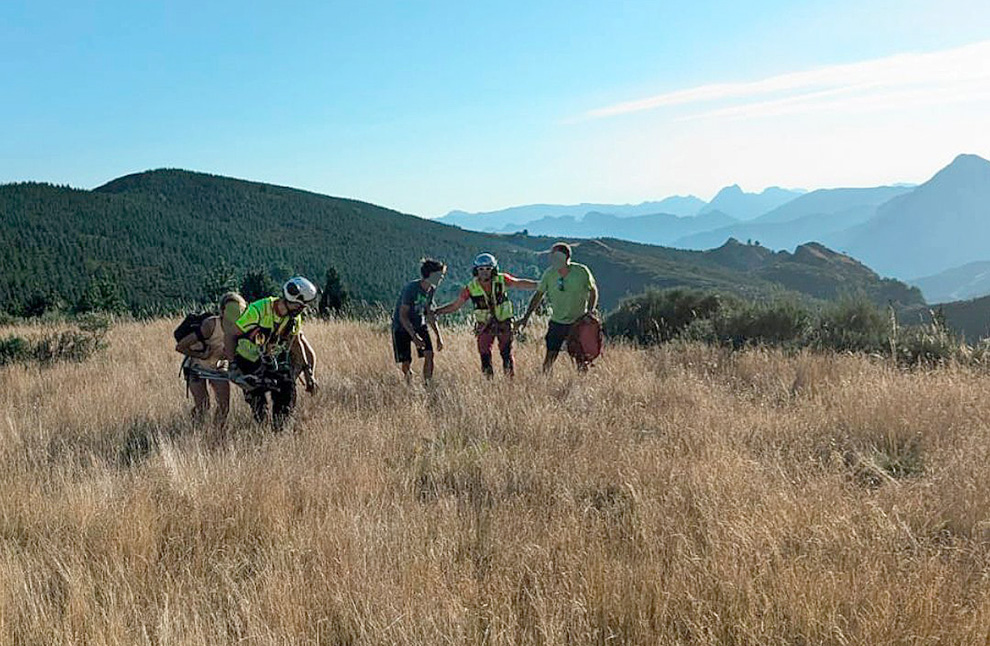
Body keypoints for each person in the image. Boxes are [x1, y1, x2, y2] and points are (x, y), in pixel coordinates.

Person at [224, 276, 319, 432]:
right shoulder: (258, 310)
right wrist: (233, 365)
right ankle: (261, 429)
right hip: (248, 359)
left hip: (273, 359)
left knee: (287, 392)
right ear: (291, 299)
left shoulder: (294, 319)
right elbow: (231, 335)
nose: (303, 309)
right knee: (258, 402)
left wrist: (309, 374)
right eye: (301, 305)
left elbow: (296, 343)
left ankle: (279, 432)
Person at [433, 252, 538, 377]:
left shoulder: (502, 279)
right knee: (484, 354)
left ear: (493, 270)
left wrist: (540, 285)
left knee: (506, 354)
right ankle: (489, 383)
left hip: (504, 322)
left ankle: (510, 382)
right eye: (481, 269)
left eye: (488, 269)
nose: (484, 272)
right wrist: (437, 311)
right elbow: (455, 306)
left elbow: (518, 283)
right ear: (476, 270)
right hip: (485, 326)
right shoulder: (471, 288)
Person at [517, 242, 599, 373]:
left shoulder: (582, 271)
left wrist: (590, 311)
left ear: (567, 257)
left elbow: (593, 290)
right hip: (557, 322)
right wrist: (526, 317)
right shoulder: (549, 274)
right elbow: (538, 295)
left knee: (580, 357)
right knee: (550, 355)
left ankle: (582, 385)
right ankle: (544, 381)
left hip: (578, 322)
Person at [175, 292, 247, 428]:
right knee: (203, 406)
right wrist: (201, 355)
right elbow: (180, 346)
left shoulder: (242, 329)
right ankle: (194, 430)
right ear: (222, 311)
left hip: (219, 369)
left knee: (224, 407)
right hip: (196, 367)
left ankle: (216, 437)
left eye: (240, 310)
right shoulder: (211, 325)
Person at [392, 259, 445, 385]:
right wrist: (414, 337)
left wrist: (438, 336)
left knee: (429, 354)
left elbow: (429, 312)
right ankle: (408, 378)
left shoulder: (431, 289)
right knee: (406, 361)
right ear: (430, 274)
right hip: (401, 327)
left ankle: (427, 384)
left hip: (419, 324)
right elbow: (402, 316)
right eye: (439, 275)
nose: (442, 277)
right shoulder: (411, 289)